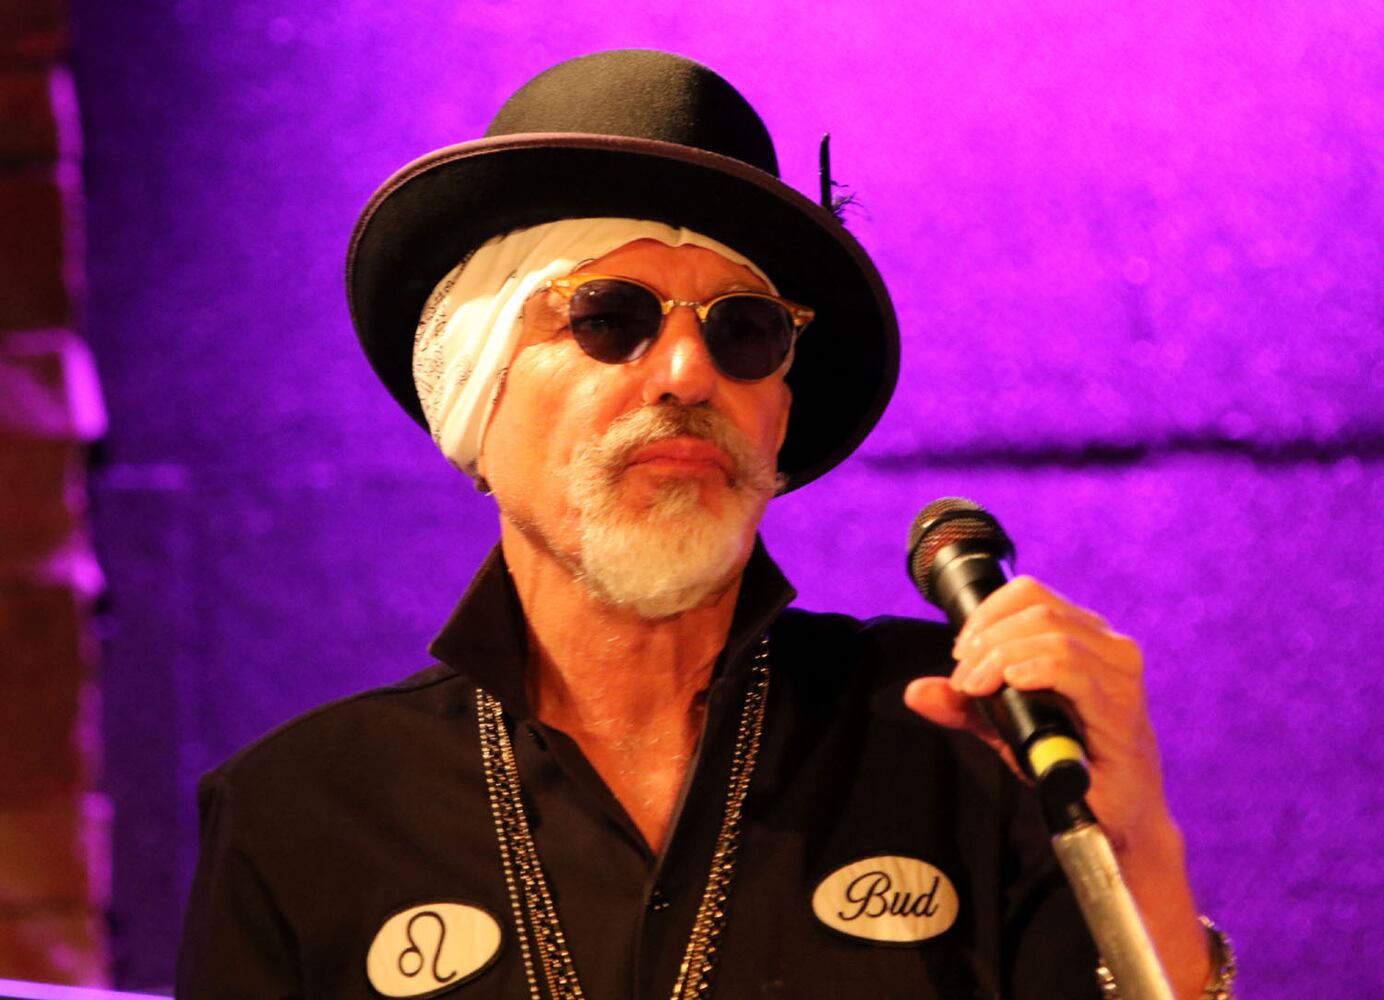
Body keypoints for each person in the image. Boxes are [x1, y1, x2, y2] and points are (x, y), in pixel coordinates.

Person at [177, 50, 1233, 999]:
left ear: (777, 418)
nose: (687, 372)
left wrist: (1136, 844)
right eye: (609, 317)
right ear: (475, 394)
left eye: (746, 331)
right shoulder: (300, 819)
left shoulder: (967, 735)